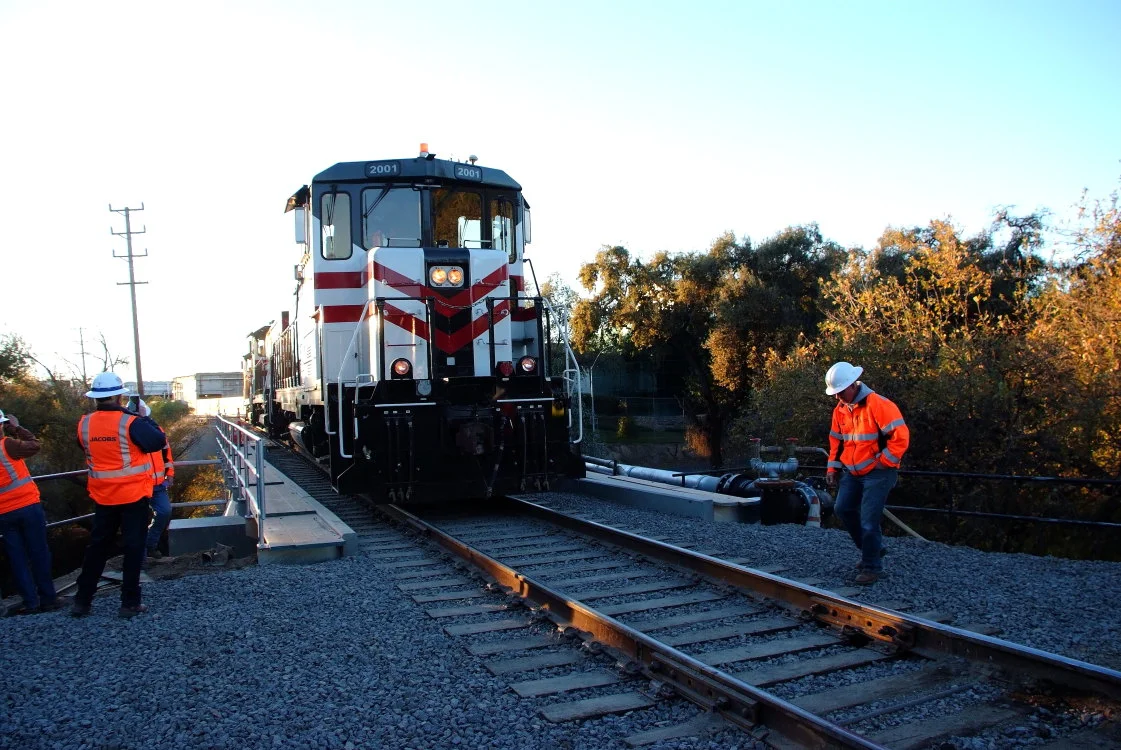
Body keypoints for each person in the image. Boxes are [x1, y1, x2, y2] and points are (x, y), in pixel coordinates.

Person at [71, 373, 167, 618]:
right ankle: (129, 603)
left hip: (103, 497)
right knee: (133, 548)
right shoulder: (131, 422)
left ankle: (82, 601)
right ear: (119, 397)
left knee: (97, 547)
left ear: (96, 398)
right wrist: (144, 417)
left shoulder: (84, 424)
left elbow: (86, 447)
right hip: (133, 496)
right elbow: (157, 441)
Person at [824, 361, 910, 585]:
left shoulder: (878, 404)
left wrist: (884, 462)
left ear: (853, 385)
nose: (837, 397)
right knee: (842, 508)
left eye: (841, 392)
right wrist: (832, 468)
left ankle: (872, 566)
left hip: (878, 472)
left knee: (869, 520)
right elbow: (836, 441)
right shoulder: (840, 410)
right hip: (853, 471)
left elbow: (900, 437)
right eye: (836, 393)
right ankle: (873, 550)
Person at [0, 409, 67, 615]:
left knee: (17, 557)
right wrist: (16, 427)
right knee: (39, 552)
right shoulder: (7, 445)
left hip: (3, 513)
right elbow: (34, 444)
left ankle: (30, 602)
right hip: (27, 506)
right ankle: (48, 598)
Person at [128, 397, 174, 561]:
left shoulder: (157, 430)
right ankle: (141, 557)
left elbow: (166, 454)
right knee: (138, 520)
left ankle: (150, 545)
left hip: (158, 484)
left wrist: (169, 473)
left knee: (164, 511)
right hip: (139, 484)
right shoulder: (128, 430)